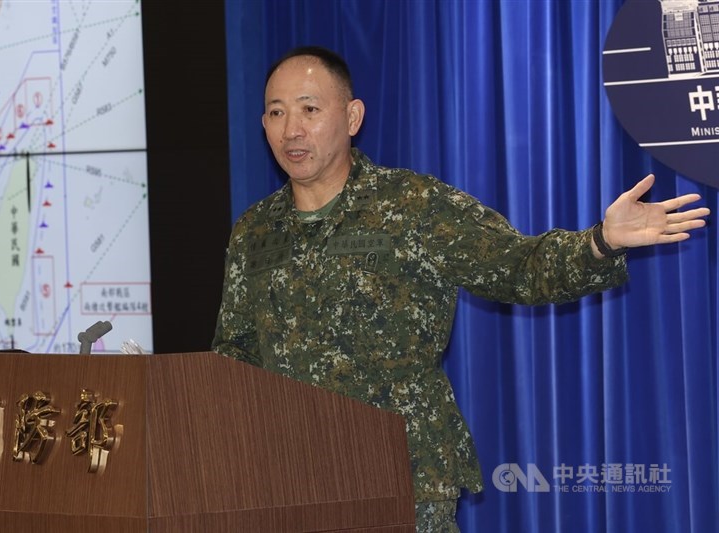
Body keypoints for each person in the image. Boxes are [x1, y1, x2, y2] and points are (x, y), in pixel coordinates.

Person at [211, 46, 710, 532]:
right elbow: (235, 352)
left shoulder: (413, 205)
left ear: (353, 116)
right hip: (285, 483)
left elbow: (518, 266)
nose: (291, 129)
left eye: (309, 109)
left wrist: (600, 241)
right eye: (276, 113)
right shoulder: (255, 230)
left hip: (400, 478)